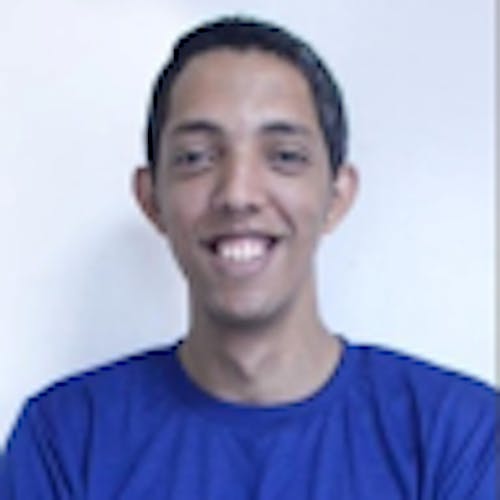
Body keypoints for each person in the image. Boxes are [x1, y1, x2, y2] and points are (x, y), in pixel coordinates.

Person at [0, 16, 496, 499]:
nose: (238, 194)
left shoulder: (460, 437)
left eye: (284, 156)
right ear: (152, 200)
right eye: (196, 157)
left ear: (337, 196)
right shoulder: (65, 440)